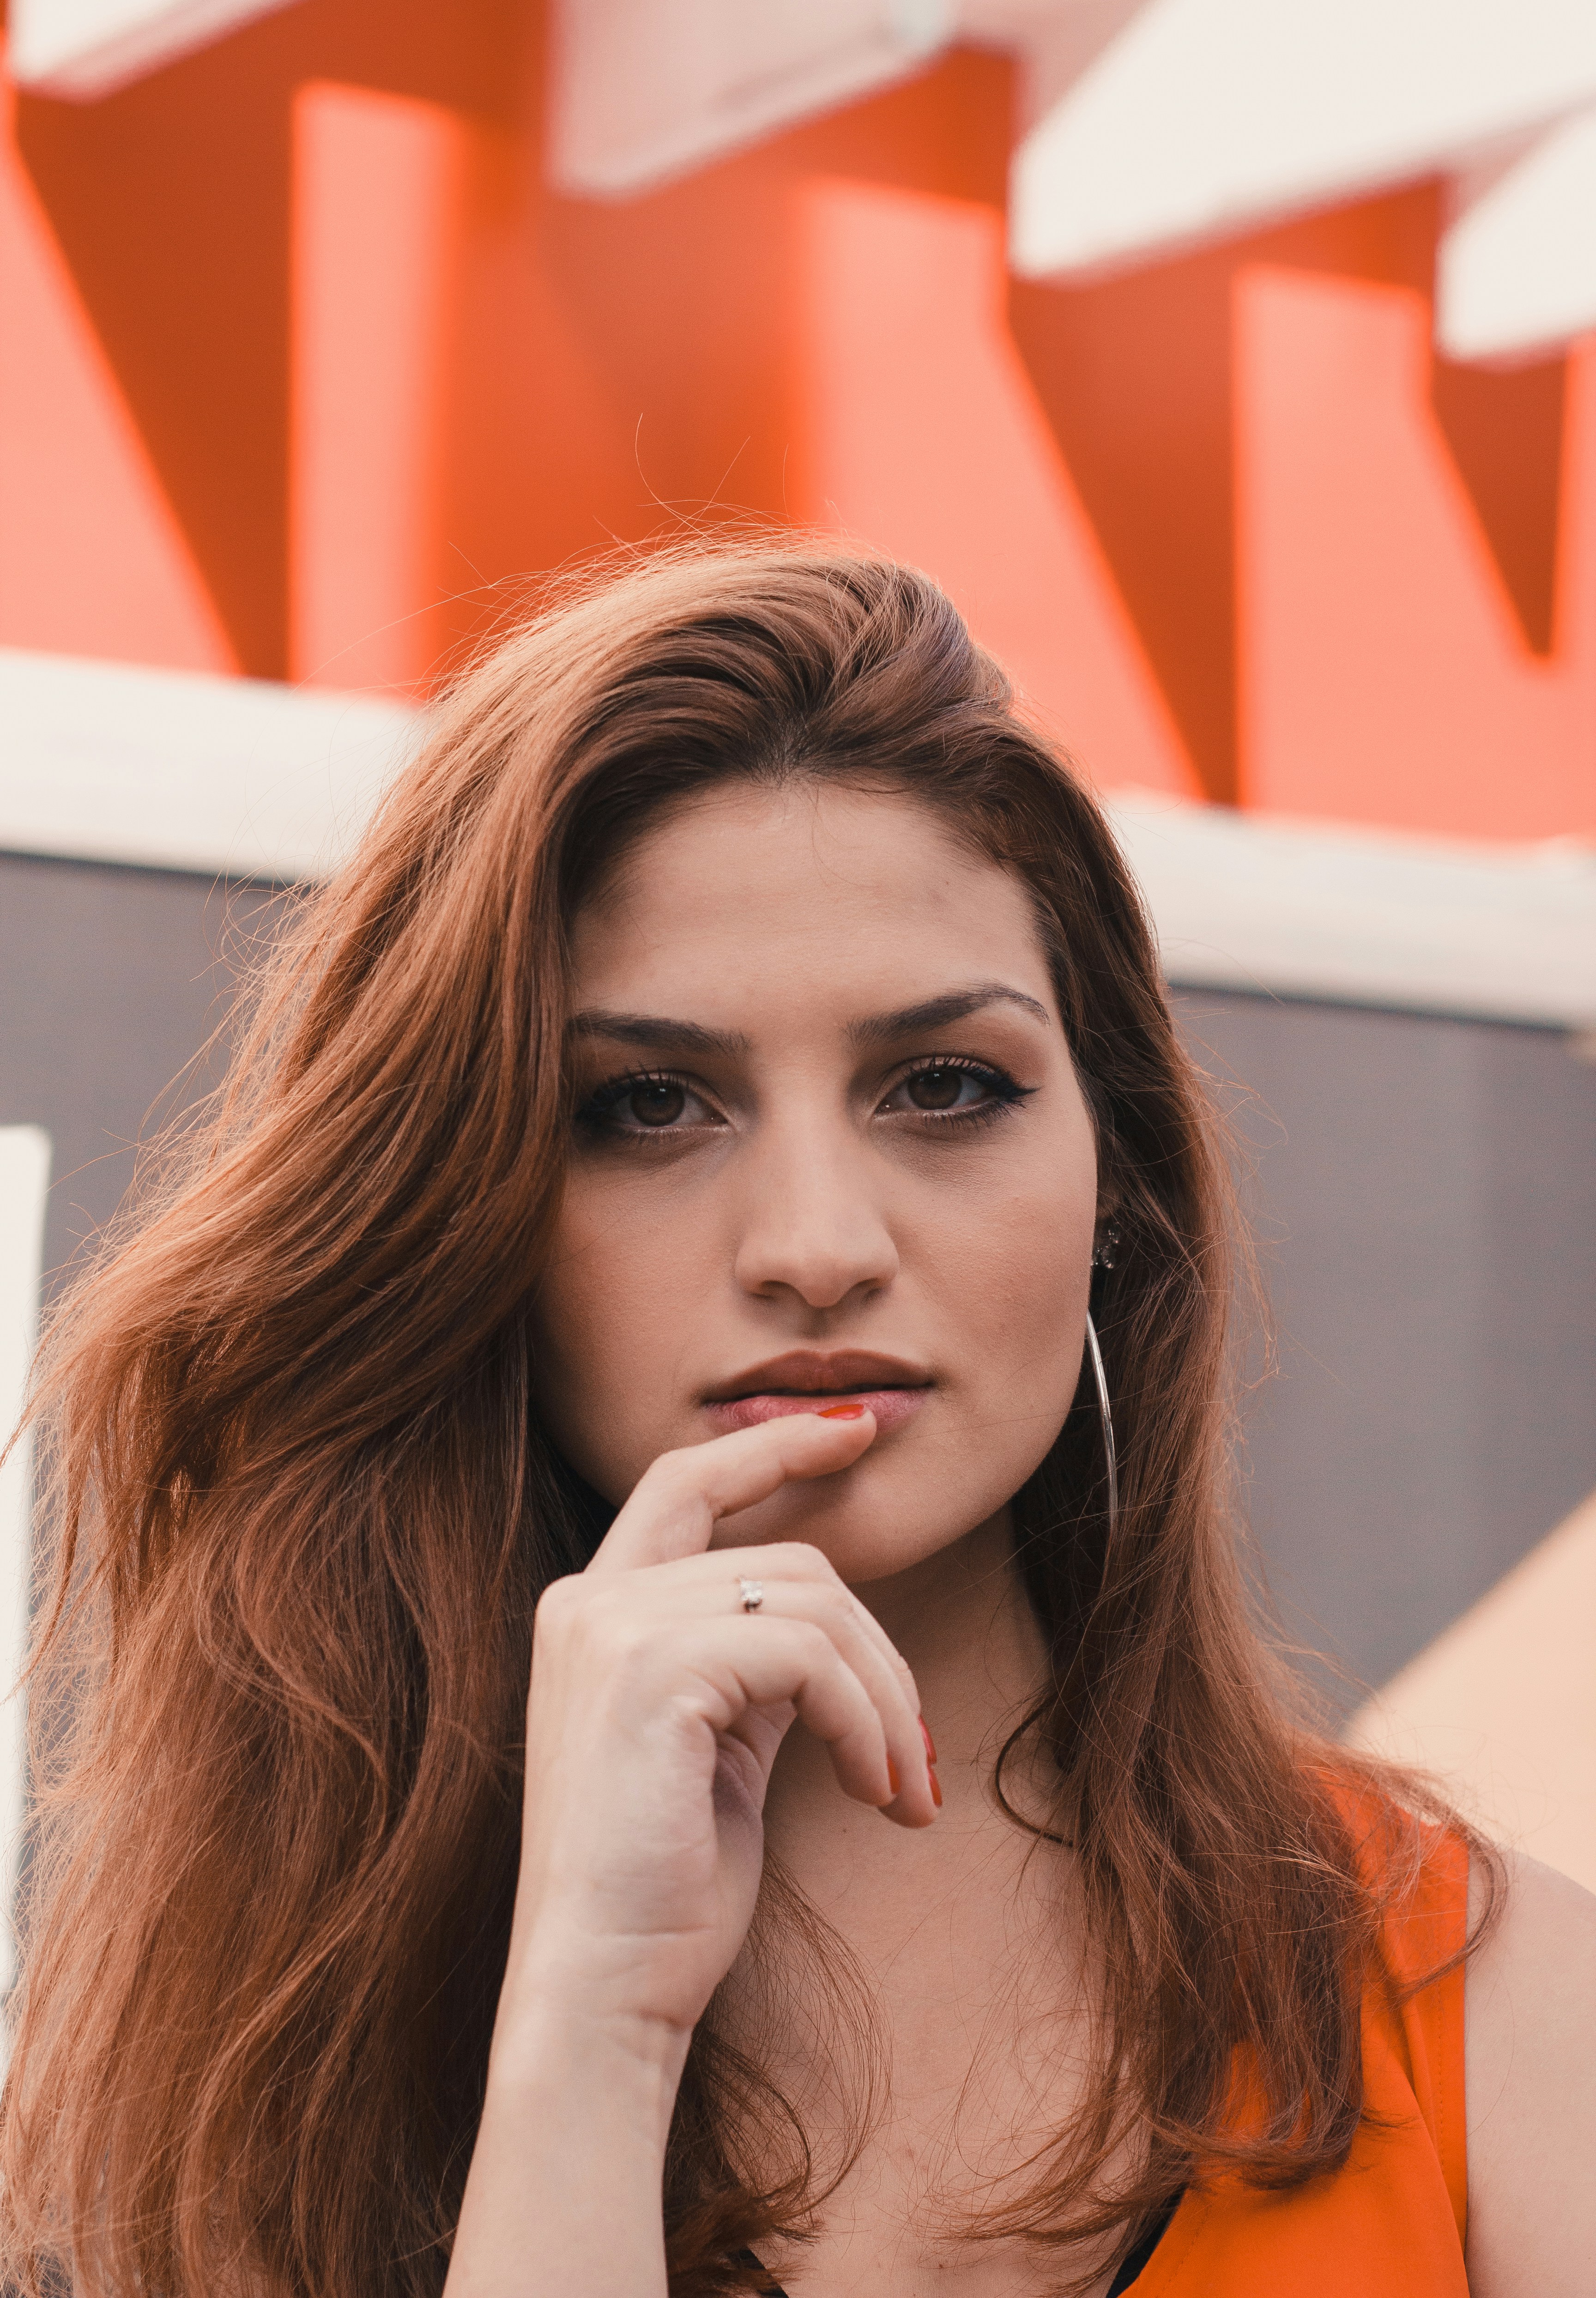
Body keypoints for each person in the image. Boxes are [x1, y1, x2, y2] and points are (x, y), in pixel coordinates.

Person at [2, 546, 1592, 2298]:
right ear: (472, 1215)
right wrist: (587, 2040)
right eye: (648, 1105)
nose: (819, 1248)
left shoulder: (1495, 2014)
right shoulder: (243, 2078)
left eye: (946, 1086)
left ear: (1117, 1183)